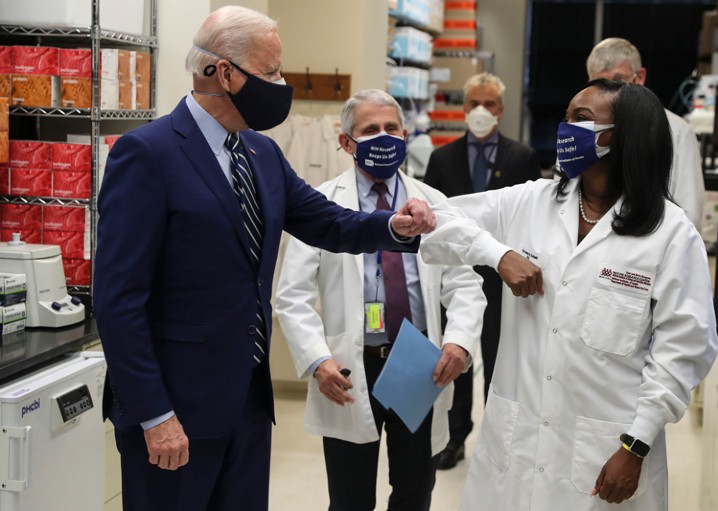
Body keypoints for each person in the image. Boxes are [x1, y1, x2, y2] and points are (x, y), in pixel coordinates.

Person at [92, 8, 436, 511]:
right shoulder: (147, 154)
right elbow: (118, 300)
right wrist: (154, 414)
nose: (281, 83)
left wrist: (393, 226)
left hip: (246, 405)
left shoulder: (260, 153)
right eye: (271, 72)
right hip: (175, 412)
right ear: (225, 73)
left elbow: (327, 221)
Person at [420, 80, 718, 510]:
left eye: (581, 120)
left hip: (606, 451)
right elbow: (436, 217)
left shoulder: (670, 235)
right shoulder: (531, 201)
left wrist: (635, 446)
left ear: (624, 136)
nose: (565, 130)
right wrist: (497, 253)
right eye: (566, 118)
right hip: (516, 442)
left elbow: (683, 350)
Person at [274, 89, 486, 511]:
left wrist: (459, 342)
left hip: (417, 361)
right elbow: (291, 296)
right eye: (370, 130)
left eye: (392, 128)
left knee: (413, 491)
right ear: (346, 142)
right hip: (349, 368)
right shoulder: (322, 205)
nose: (384, 137)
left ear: (406, 136)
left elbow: (464, 284)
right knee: (350, 497)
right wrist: (317, 360)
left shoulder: (434, 204)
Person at [423, 72, 541, 470]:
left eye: (488, 104)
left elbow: (532, 219)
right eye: (473, 102)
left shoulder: (521, 157)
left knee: (499, 358)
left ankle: (497, 440)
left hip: (502, 281)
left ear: (501, 111)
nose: (480, 111)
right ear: (463, 108)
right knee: (456, 354)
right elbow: (432, 222)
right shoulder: (442, 158)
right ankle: (455, 437)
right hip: (453, 278)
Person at [587, 37, 705, 230]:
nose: (609, 94)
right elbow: (563, 197)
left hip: (649, 249)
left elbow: (690, 214)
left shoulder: (676, 130)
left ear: (639, 77)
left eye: (618, 81)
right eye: (600, 84)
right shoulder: (580, 128)